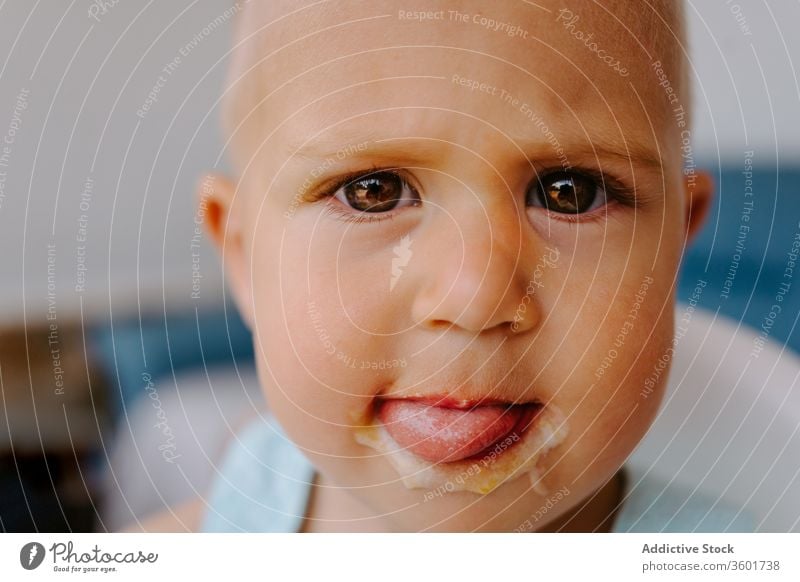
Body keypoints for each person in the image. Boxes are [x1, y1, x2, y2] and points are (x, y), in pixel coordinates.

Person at [138, 0, 751, 532]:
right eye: (372, 191)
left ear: (673, 247)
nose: (474, 296)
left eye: (571, 192)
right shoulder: (230, 509)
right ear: (244, 256)